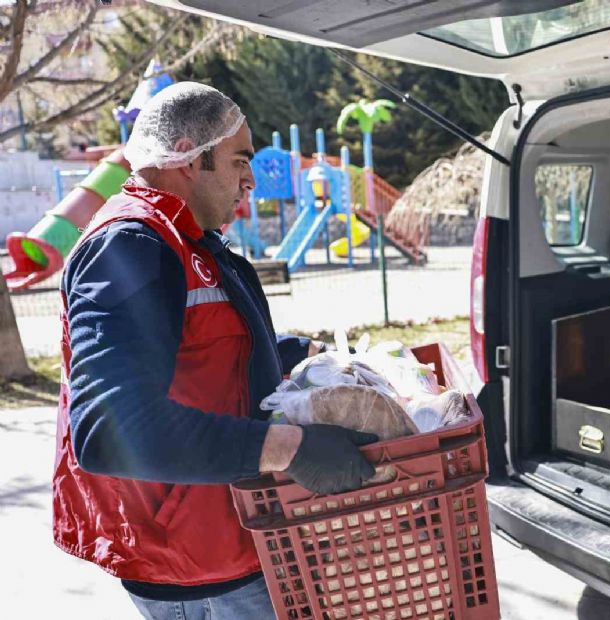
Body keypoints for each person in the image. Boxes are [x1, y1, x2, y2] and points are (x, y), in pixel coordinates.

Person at [52, 82, 377, 619]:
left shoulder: (184, 235)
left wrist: (298, 353)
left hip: (224, 539)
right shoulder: (130, 243)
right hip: (190, 561)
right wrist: (291, 448)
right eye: (239, 159)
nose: (250, 178)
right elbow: (111, 431)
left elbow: (199, 342)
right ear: (189, 155)